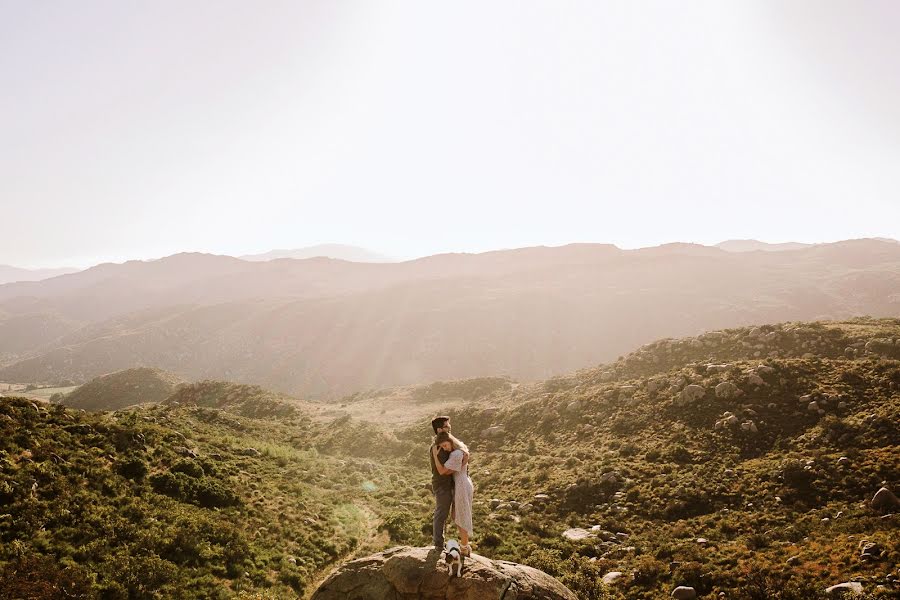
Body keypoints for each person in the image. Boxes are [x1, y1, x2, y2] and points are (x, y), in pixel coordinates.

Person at [432, 430, 473, 556]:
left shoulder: (456, 454)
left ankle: (465, 548)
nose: (445, 448)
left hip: (461, 485)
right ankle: (465, 545)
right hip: (462, 483)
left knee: (461, 516)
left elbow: (442, 471)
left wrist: (435, 455)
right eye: (443, 447)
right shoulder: (460, 449)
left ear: (450, 441)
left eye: (445, 445)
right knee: (457, 516)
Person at [429, 416, 453, 549]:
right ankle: (438, 543)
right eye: (446, 426)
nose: (449, 427)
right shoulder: (438, 447)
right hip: (442, 485)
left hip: (446, 484)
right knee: (441, 513)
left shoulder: (443, 443)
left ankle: (440, 542)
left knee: (444, 514)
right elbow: (442, 470)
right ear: (439, 430)